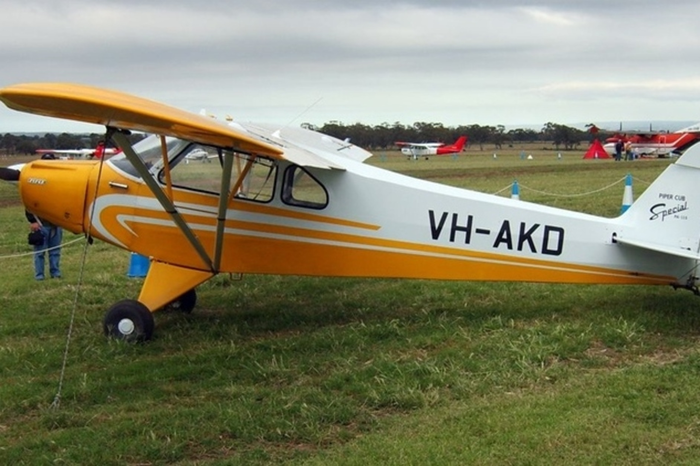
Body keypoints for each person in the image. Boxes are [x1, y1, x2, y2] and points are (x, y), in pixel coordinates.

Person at [27, 153, 62, 280]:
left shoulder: (60, 180)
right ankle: (40, 276)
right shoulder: (34, 180)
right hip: (40, 223)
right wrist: (32, 220)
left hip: (56, 223)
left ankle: (56, 274)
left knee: (55, 251)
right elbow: (28, 201)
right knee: (39, 252)